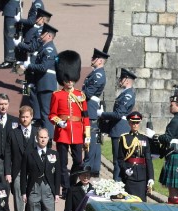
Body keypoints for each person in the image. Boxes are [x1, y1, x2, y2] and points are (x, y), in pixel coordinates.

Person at [49, 50, 90, 199]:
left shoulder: (80, 95)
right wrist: (59, 122)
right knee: (62, 163)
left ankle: (72, 183)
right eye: (67, 80)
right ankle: (65, 188)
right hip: (62, 133)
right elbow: (51, 115)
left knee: (78, 161)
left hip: (78, 132)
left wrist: (88, 135)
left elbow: (85, 116)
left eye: (71, 79)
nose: (70, 82)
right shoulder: (57, 95)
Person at [18, 23, 57, 136]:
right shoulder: (44, 47)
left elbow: (43, 67)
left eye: (43, 33)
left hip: (45, 83)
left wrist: (28, 66)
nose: (41, 35)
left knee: (45, 112)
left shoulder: (48, 48)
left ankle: (48, 137)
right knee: (40, 109)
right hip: (38, 81)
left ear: (49, 36)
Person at [155, 89, 178, 205]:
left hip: (175, 154)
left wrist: (155, 136)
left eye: (172, 105)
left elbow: (167, 138)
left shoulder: (176, 120)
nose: (169, 107)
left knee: (173, 188)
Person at [21, 127, 61, 211]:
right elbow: (24, 174)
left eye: (45, 137)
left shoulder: (54, 154)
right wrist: (23, 192)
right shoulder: (29, 154)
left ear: (48, 139)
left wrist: (57, 193)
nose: (43, 140)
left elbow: (57, 175)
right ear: (36, 138)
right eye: (41, 137)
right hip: (34, 189)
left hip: (48, 190)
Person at [99, 68, 136, 181]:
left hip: (120, 129)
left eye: (122, 79)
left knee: (118, 160)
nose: (120, 81)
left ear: (127, 80)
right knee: (118, 159)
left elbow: (118, 114)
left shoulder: (128, 95)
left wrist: (103, 114)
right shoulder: (124, 93)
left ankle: (118, 184)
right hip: (118, 128)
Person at [5, 105, 36, 211]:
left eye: (27, 117)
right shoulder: (13, 133)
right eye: (22, 117)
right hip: (17, 172)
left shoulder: (37, 132)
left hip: (32, 173)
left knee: (32, 203)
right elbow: (8, 153)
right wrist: (8, 172)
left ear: (31, 117)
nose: (24, 119)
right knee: (18, 204)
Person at [82, 48, 108, 175]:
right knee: (94, 139)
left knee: (90, 138)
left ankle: (88, 164)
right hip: (91, 106)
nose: (92, 60)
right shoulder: (95, 73)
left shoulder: (98, 74)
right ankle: (94, 167)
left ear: (100, 61)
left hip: (90, 107)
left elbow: (88, 92)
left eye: (94, 58)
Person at [117, 111, 154, 202]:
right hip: (129, 175)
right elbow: (120, 158)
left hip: (141, 176)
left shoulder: (144, 138)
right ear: (129, 123)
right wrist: (125, 169)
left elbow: (148, 159)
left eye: (137, 123)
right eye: (133, 122)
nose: (135, 125)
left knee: (141, 202)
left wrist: (151, 177)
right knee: (129, 202)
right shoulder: (124, 138)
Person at [0, 0, 21, 69]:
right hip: (12, 9)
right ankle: (12, 58)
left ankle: (9, 60)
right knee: (11, 35)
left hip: (11, 9)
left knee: (9, 36)